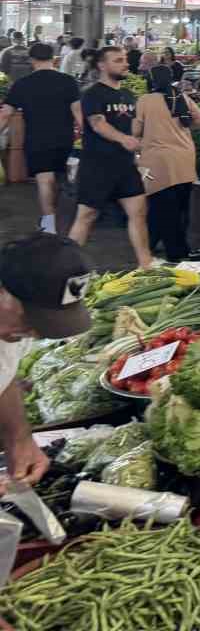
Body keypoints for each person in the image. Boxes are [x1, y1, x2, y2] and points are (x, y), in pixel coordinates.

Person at [0, 235, 97, 490]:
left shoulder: (11, 326)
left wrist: (19, 439)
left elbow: (3, 374)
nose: (36, 333)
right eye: (31, 319)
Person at [68, 46, 154, 267]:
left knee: (139, 213)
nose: (125, 63)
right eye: (118, 60)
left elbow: (131, 126)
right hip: (97, 166)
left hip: (125, 166)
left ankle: (146, 264)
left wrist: (137, 145)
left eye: (125, 59)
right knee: (86, 217)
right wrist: (122, 139)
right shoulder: (92, 93)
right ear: (102, 65)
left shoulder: (128, 95)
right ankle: (65, 267)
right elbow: (98, 124)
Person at [0, 43, 81, 233]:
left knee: (45, 182)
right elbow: (78, 112)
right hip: (64, 140)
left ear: (31, 59)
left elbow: (5, 114)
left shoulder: (22, 84)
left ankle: (49, 226)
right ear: (54, 58)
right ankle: (61, 220)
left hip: (37, 140)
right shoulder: (68, 81)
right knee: (61, 182)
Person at [135, 64, 200, 262]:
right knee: (180, 208)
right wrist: (180, 130)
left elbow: (135, 130)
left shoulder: (145, 100)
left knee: (163, 208)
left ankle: (177, 253)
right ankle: (150, 244)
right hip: (184, 159)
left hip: (157, 162)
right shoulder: (181, 96)